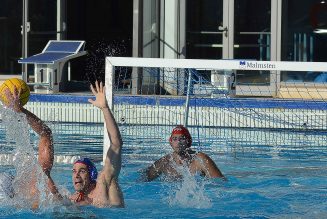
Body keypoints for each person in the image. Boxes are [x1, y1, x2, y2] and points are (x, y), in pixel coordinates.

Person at [1, 81, 124, 208]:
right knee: (42, 176)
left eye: (82, 171)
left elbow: (116, 144)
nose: (76, 175)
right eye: (74, 171)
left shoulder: (104, 185)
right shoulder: (72, 200)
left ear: (92, 174)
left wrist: (105, 108)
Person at [143, 125, 225, 181]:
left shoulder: (200, 159)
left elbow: (220, 183)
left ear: (188, 141)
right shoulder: (165, 162)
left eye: (182, 138)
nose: (178, 142)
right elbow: (143, 180)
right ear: (170, 142)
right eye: (175, 139)